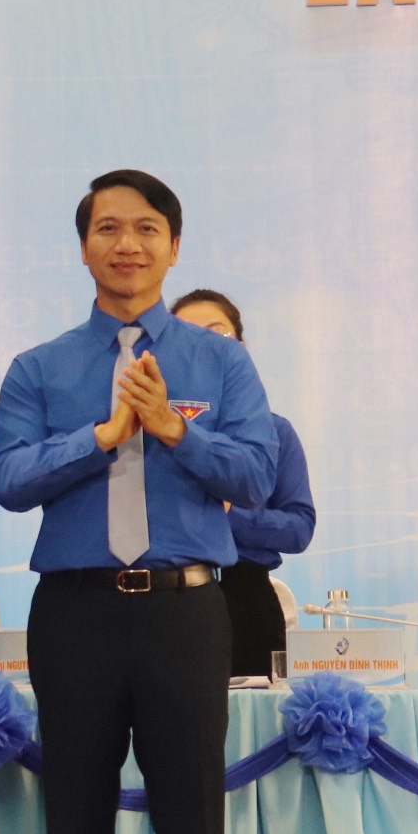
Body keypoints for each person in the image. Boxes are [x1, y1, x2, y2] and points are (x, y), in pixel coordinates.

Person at [0, 170, 278, 834]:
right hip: (76, 612)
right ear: (84, 248)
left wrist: (176, 431)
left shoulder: (221, 362)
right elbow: (7, 478)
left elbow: (257, 475)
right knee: (73, 833)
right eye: (108, 229)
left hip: (184, 613)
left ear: (173, 246)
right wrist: (100, 438)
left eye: (146, 229)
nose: (127, 245)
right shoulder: (40, 368)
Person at [170, 290, 316, 678]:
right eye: (187, 336)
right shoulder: (148, 434)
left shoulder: (274, 432)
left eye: (217, 335)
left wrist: (232, 515)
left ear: (241, 346)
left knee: (253, 731)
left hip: (246, 600)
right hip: (164, 601)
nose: (203, 347)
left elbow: (299, 528)